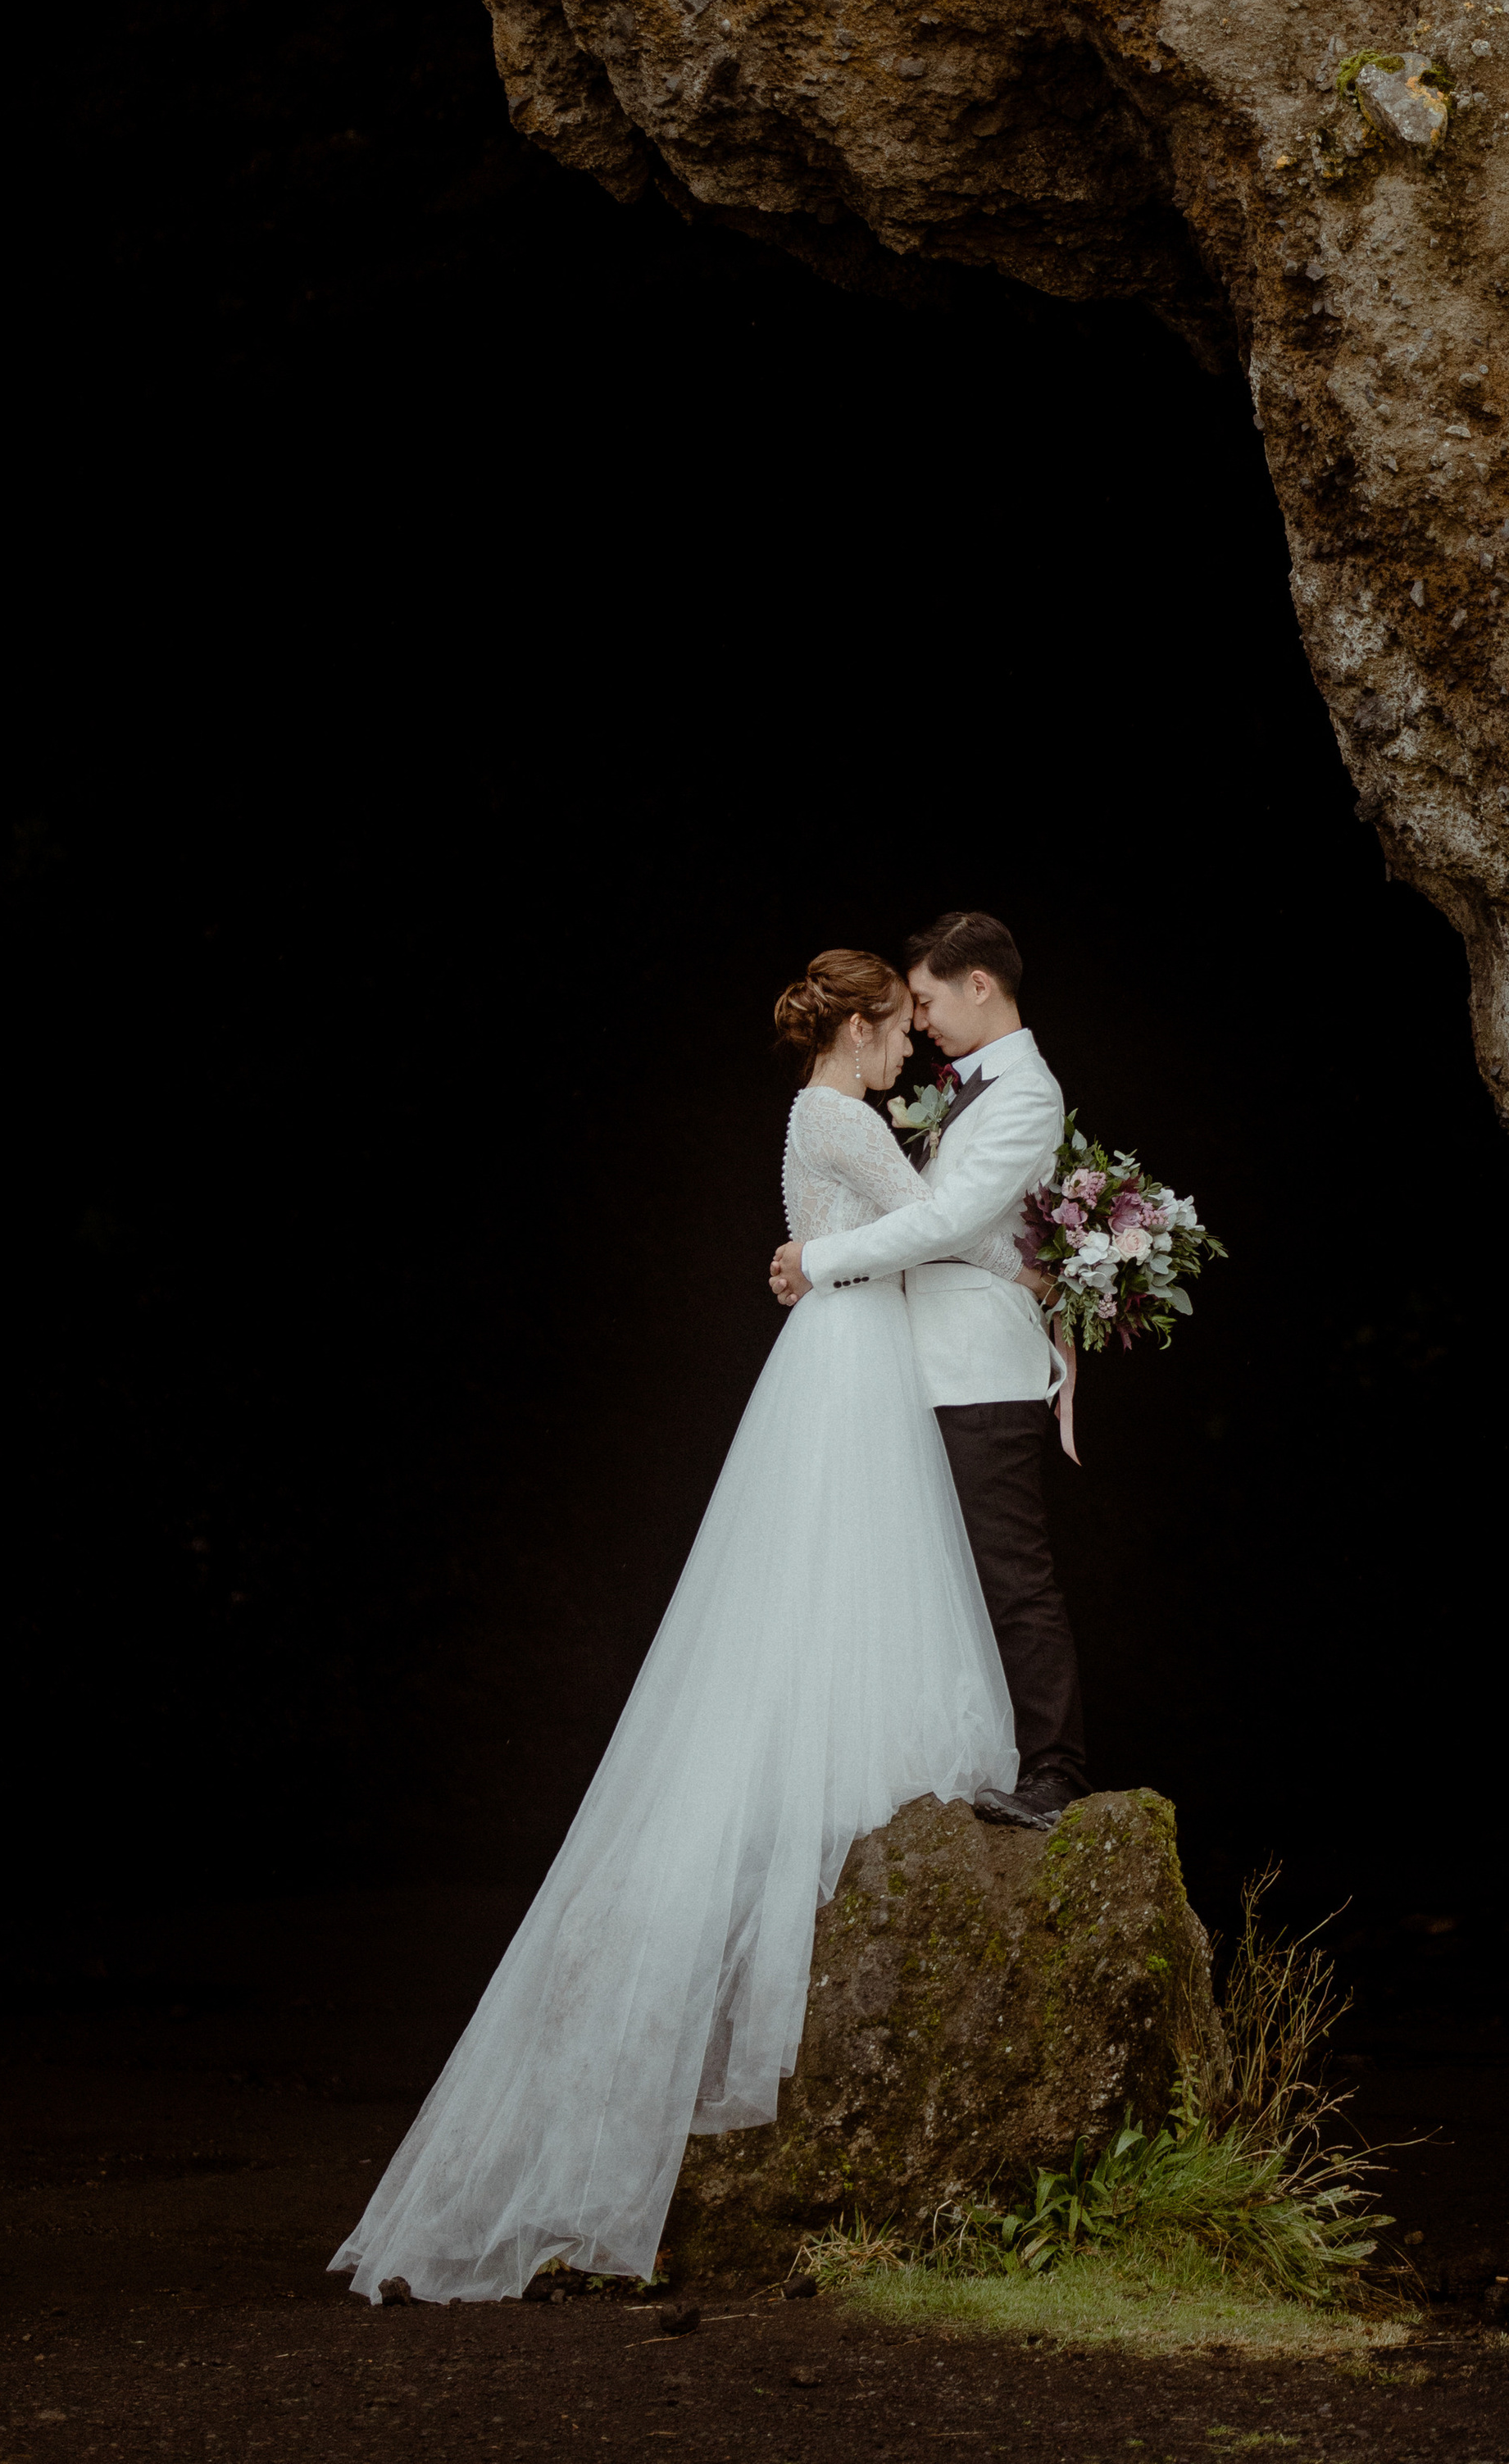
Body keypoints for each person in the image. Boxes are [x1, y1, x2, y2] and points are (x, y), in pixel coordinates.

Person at [331, 949, 1017, 2304]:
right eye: (898, 1033)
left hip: (844, 1351)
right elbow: (943, 1225)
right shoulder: (837, 1117)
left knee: (839, 1575)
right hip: (846, 1367)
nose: (910, 1055)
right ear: (861, 1027)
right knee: (834, 1570)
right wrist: (1053, 1253)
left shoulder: (824, 1117)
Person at [770, 910, 1089, 1837]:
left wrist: (818, 1259)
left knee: (1010, 1573)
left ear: (977, 984)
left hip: (977, 1364)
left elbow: (946, 1222)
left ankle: (1056, 1772)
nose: (918, 1022)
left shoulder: (1025, 1094)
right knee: (931, 1575)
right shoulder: (958, 1089)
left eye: (925, 1000)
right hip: (917, 1361)